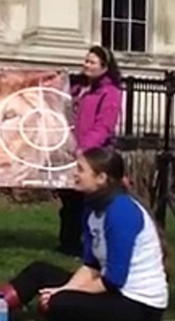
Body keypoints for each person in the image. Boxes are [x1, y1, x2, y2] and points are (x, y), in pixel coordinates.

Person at [0, 148, 169, 321]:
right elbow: (91, 265)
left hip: (139, 305)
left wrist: (63, 292)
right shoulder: (92, 208)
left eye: (81, 170)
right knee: (40, 272)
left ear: (101, 178)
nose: (74, 174)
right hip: (113, 291)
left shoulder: (121, 211)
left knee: (60, 303)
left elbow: (113, 280)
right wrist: (65, 288)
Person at [58, 45, 123, 257]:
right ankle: (67, 242)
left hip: (93, 154)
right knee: (69, 199)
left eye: (92, 62)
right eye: (86, 60)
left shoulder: (110, 92)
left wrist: (84, 148)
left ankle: (87, 245)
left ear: (104, 67)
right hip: (71, 151)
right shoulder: (78, 89)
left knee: (87, 201)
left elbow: (104, 125)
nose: (86, 65)